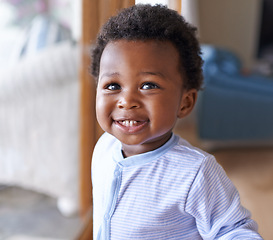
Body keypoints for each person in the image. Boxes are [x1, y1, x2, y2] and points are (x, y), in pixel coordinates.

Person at [90, 4, 263, 240]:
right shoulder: (103, 148)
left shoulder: (194, 173)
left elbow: (234, 231)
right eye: (113, 86)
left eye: (148, 85)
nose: (127, 101)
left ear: (185, 102)